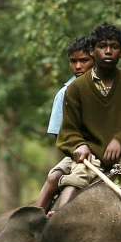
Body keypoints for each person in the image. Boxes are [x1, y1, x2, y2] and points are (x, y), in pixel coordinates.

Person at [50, 22, 121, 212]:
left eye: (114, 47)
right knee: (73, 182)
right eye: (102, 46)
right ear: (92, 50)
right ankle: (55, 222)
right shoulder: (76, 89)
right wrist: (78, 144)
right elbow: (68, 129)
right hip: (90, 154)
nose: (108, 51)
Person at [33, 36, 95, 211]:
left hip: (110, 151)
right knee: (53, 178)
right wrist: (75, 149)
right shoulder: (64, 94)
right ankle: (33, 220)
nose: (78, 66)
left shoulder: (110, 88)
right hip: (78, 154)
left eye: (84, 60)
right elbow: (58, 135)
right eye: (73, 61)